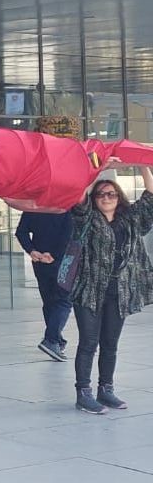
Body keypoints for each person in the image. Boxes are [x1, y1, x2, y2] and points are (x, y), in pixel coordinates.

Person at [69, 166, 153, 414]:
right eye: (101, 194)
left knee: (110, 343)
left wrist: (142, 165)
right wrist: (98, 169)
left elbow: (150, 195)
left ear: (119, 198)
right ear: (94, 200)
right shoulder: (87, 218)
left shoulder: (130, 219)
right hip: (89, 290)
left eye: (112, 194)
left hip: (120, 291)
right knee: (88, 342)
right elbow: (78, 196)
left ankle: (105, 389)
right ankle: (83, 393)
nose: (107, 198)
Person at [16, 209, 74, 361]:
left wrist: (32, 251)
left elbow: (20, 232)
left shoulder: (34, 206)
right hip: (62, 261)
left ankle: (56, 340)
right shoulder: (66, 206)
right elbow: (69, 234)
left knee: (50, 301)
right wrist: (54, 255)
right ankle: (52, 340)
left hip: (40, 261)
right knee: (64, 301)